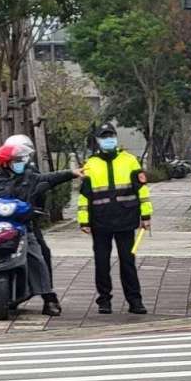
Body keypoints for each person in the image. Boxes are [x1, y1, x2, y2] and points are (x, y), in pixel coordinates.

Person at [0, 142, 79, 316]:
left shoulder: (28, 176)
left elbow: (48, 178)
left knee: (37, 256)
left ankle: (49, 298)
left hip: (22, 226)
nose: (21, 163)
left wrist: (71, 173)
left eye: (21, 160)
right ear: (6, 163)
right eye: (17, 160)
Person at [78, 123, 151, 314]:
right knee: (101, 263)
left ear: (116, 138)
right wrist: (83, 221)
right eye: (104, 136)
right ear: (98, 140)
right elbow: (84, 196)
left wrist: (146, 216)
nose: (108, 139)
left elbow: (142, 190)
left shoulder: (129, 161)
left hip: (126, 220)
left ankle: (135, 301)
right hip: (100, 222)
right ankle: (104, 301)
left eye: (110, 135)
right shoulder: (90, 164)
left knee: (128, 262)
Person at [2, 134, 54, 280]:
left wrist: (37, 210)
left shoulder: (32, 174)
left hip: (25, 221)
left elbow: (41, 192)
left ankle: (47, 293)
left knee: (43, 252)